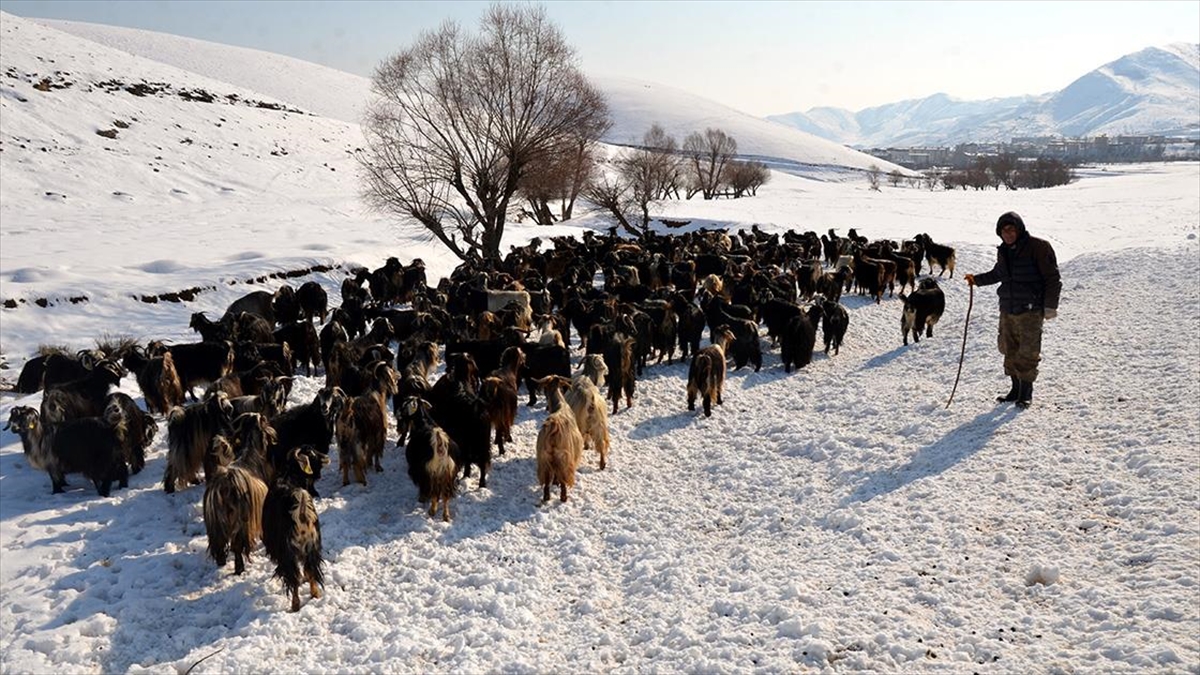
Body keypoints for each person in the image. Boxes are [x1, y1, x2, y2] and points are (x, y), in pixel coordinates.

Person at [963, 212, 1062, 409]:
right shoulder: (1004, 251)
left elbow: (1053, 278)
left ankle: (1026, 392)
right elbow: (999, 273)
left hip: (1031, 309)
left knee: (1028, 351)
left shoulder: (1038, 247)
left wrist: (1050, 306)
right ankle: (1015, 389)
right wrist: (977, 280)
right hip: (1008, 308)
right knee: (1009, 349)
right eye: (1003, 230)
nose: (1008, 234)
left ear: (1019, 229)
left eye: (1011, 229)